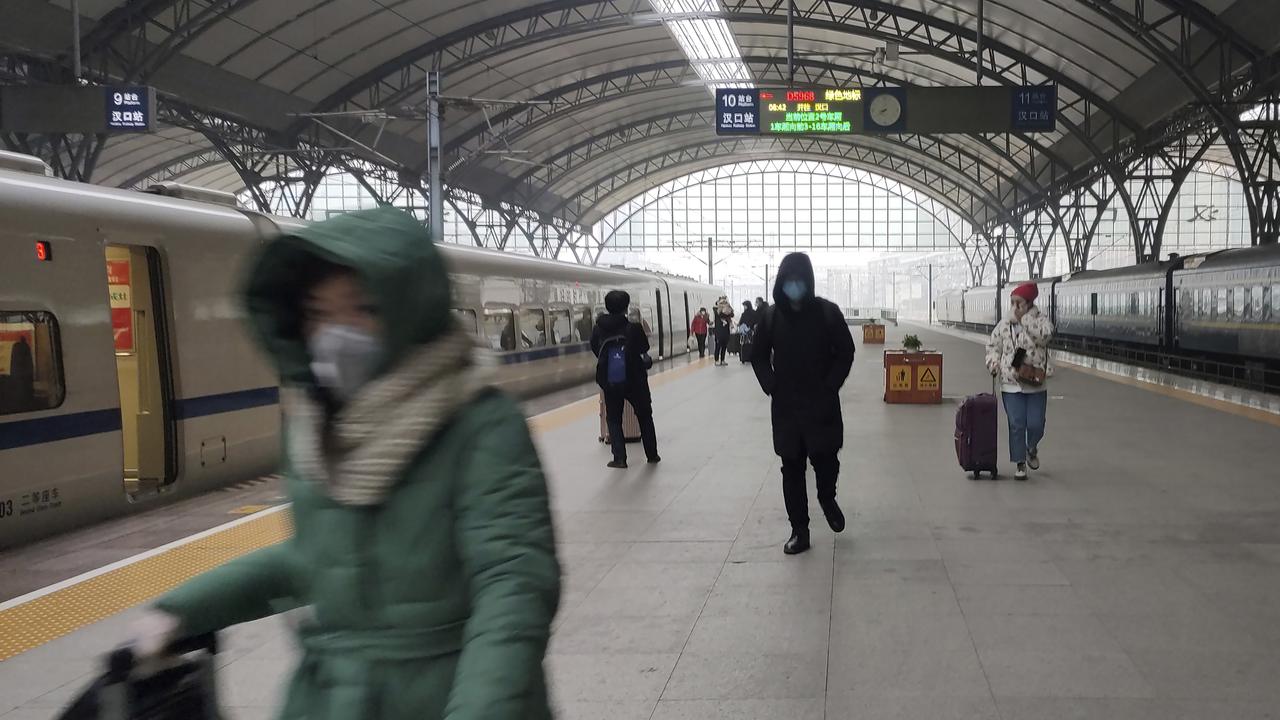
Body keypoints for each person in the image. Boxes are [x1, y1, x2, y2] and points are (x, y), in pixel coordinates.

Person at [127, 207, 561, 719]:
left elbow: (513, 583)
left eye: (364, 309)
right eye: (317, 314)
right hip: (331, 697)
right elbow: (313, 560)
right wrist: (180, 610)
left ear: (409, 311)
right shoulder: (314, 427)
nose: (337, 332)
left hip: (446, 694)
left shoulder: (481, 425)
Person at [751, 252, 855, 555]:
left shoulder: (827, 313)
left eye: (798, 281)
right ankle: (799, 530)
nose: (793, 287)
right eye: (788, 281)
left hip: (821, 404)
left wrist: (831, 384)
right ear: (780, 283)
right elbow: (757, 356)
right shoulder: (770, 317)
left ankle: (827, 497)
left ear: (807, 283)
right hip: (786, 407)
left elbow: (846, 352)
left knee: (826, 460)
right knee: (791, 467)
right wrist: (770, 385)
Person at [985, 282, 1054, 481]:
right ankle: (1020, 462)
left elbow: (1045, 337)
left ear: (1029, 303)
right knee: (1016, 423)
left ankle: (1031, 447)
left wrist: (1025, 320)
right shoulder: (1004, 325)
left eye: (1019, 303)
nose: (1014, 307)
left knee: (1036, 424)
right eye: (1012, 302)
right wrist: (993, 363)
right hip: (1010, 382)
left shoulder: (1041, 321)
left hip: (1035, 382)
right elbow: (993, 347)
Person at [591, 290, 660, 468]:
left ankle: (619, 458)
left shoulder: (598, 328)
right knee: (644, 415)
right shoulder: (634, 328)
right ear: (625, 307)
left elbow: (595, 348)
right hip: (635, 379)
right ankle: (652, 455)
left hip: (610, 380)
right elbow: (644, 347)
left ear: (607, 307)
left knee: (613, 418)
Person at [713, 298, 734, 366]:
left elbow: (732, 314)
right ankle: (716, 360)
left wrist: (729, 308)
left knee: (724, 346)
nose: (724, 305)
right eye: (722, 303)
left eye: (725, 303)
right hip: (719, 332)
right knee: (718, 347)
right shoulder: (717, 310)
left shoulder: (728, 312)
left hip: (726, 332)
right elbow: (721, 314)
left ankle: (722, 360)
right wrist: (726, 310)